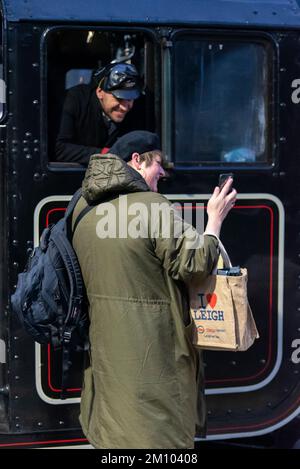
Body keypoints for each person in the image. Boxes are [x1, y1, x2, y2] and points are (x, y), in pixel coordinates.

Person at [72, 131, 237, 449]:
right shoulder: (152, 207)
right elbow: (195, 264)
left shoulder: (81, 206)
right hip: (156, 359)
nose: (163, 172)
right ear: (136, 160)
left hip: (106, 355)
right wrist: (214, 221)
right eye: (158, 163)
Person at [55, 63, 142, 164]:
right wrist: (107, 154)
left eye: (130, 99)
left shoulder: (138, 110)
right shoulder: (75, 100)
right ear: (100, 92)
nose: (124, 107)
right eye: (119, 98)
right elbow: (60, 149)